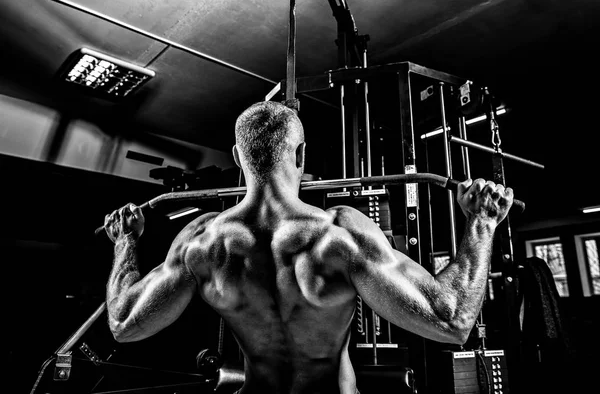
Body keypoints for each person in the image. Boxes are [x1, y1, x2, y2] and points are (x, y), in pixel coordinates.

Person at [104, 101, 513, 394]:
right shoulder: (340, 235)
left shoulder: (203, 241)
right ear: (301, 155)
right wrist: (482, 221)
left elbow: (124, 324)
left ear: (237, 157)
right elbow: (452, 320)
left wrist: (125, 241)